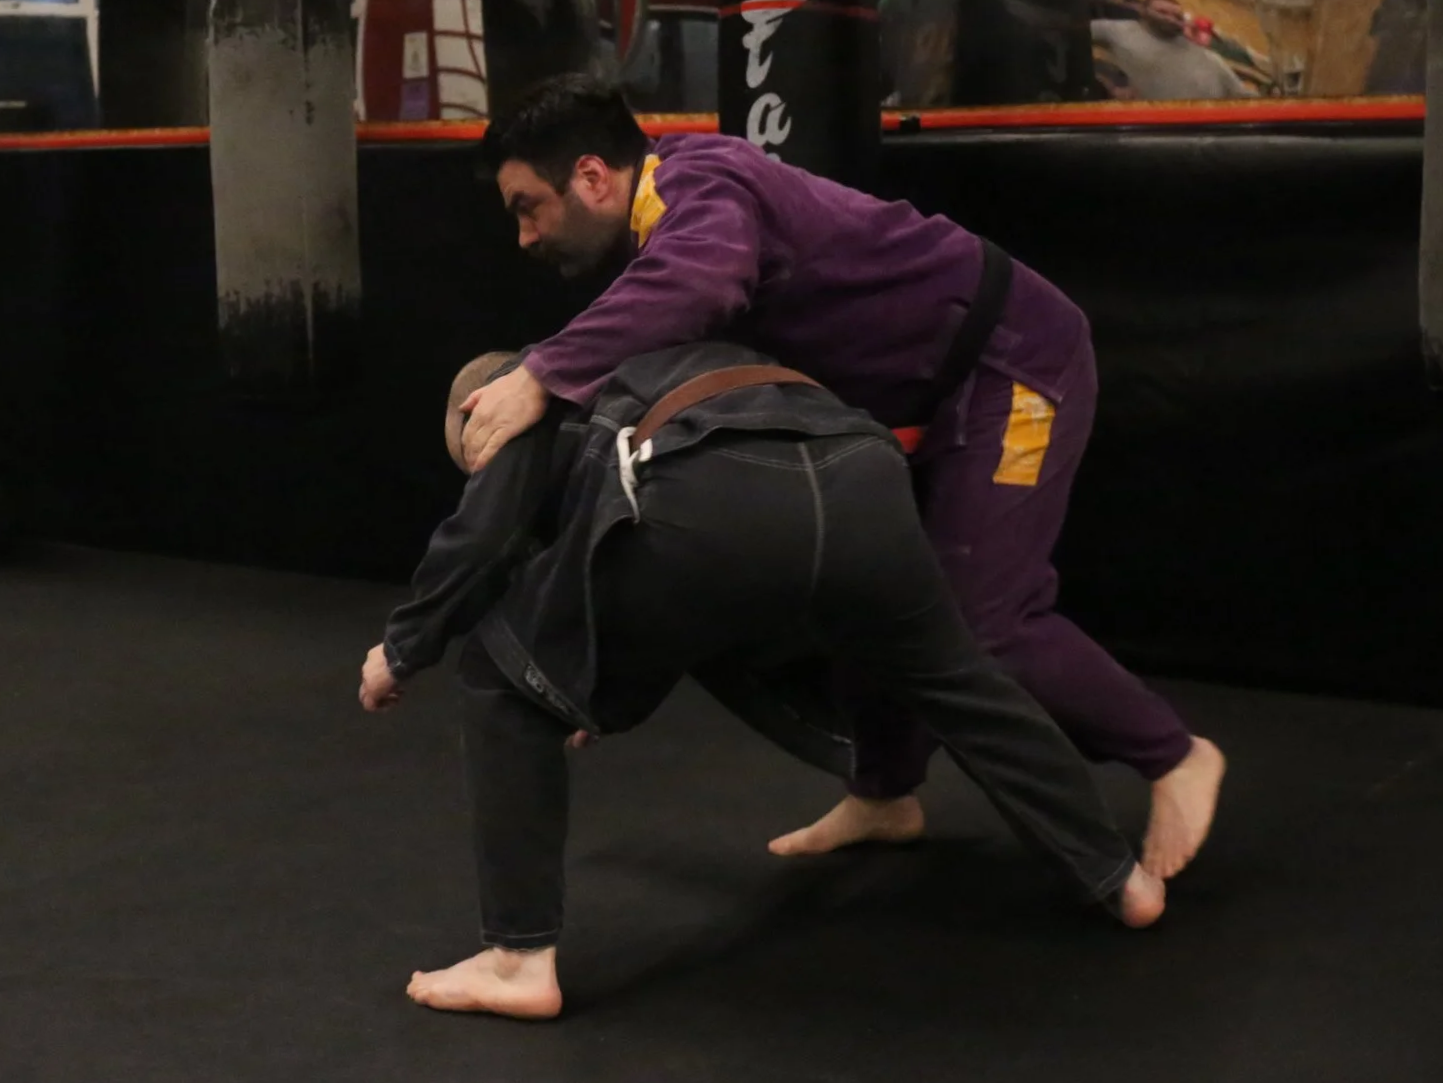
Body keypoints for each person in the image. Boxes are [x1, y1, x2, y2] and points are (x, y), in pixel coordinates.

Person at [457, 74, 1225, 879]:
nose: (525, 237)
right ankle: (885, 793)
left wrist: (540, 373)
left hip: (1014, 366)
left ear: (589, 177)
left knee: (985, 624)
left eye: (525, 207)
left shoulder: (700, 184)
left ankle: (1173, 755)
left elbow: (702, 280)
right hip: (928, 401)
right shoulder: (660, 246)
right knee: (869, 589)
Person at [361, 345, 1167, 1020]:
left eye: (475, 460)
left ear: (479, 414)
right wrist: (582, 691)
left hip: (714, 500)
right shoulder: (644, 355)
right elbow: (632, 602)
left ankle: (516, 961)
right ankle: (1114, 875)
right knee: (957, 679)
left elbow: (485, 539)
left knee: (497, 680)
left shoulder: (525, 392)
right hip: (859, 470)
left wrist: (402, 647)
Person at [1090, 0, 1252, 101]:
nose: (1170, 19)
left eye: (1177, 16)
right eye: (1162, 12)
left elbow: (1243, 97)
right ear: (1143, 11)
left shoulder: (1204, 54)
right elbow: (1073, 36)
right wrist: (1106, 84)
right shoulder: (1117, 31)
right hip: (1149, 128)